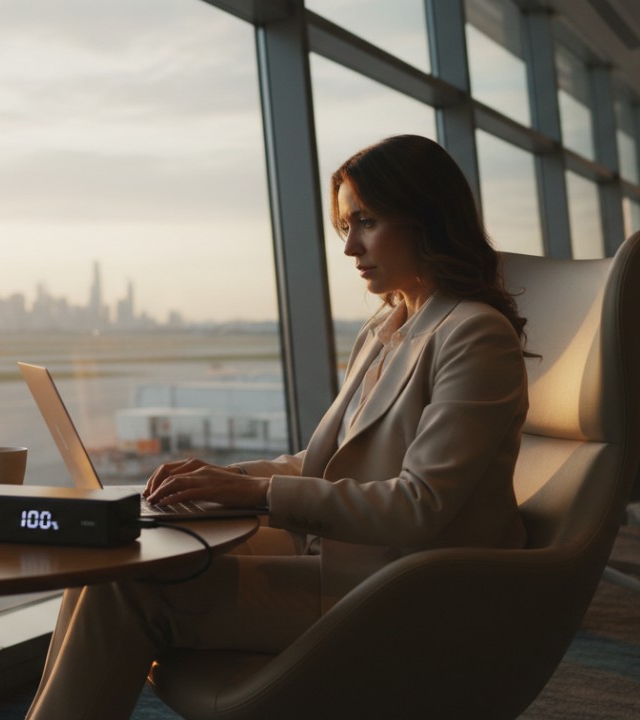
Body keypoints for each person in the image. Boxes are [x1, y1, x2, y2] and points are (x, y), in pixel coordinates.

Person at [26, 134, 530, 719]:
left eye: (365, 222)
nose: (349, 247)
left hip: (400, 592)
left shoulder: (474, 334)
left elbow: (420, 507)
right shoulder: (386, 328)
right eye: (344, 224)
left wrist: (259, 494)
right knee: (122, 556)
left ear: (425, 218)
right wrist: (221, 480)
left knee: (129, 587)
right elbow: (325, 462)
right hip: (340, 558)